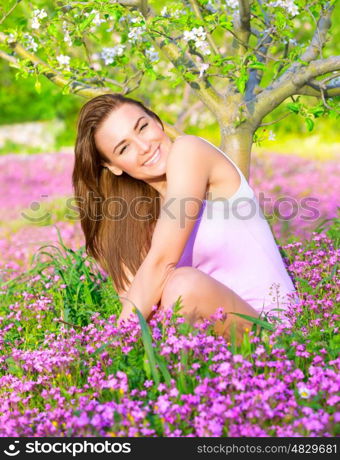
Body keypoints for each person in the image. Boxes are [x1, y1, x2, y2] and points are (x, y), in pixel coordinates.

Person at [72, 93, 297, 344]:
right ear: (113, 166)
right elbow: (136, 299)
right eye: (124, 148)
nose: (144, 146)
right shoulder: (140, 218)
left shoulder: (190, 150)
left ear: (156, 121)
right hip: (213, 346)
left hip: (272, 333)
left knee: (182, 285)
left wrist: (114, 349)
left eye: (143, 127)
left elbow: (161, 262)